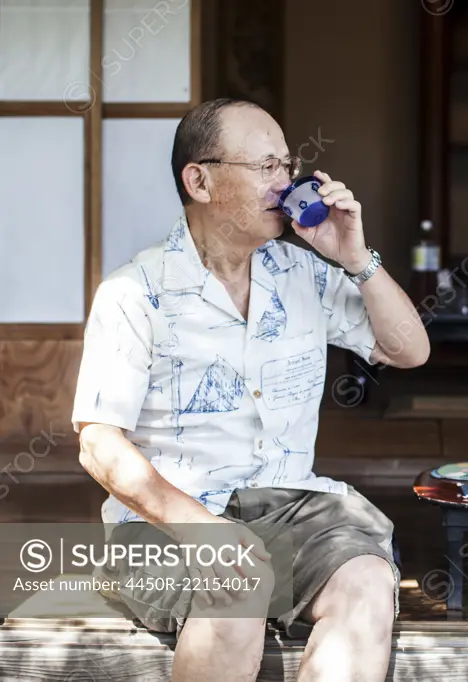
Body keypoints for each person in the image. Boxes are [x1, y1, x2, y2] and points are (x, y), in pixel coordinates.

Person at [72, 97, 430, 682]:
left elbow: (407, 350)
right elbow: (98, 444)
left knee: (367, 581)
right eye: (266, 167)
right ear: (200, 180)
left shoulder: (305, 274)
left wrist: (356, 259)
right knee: (236, 587)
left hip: (294, 506)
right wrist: (203, 531)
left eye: (286, 167)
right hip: (169, 523)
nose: (285, 183)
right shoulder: (134, 292)